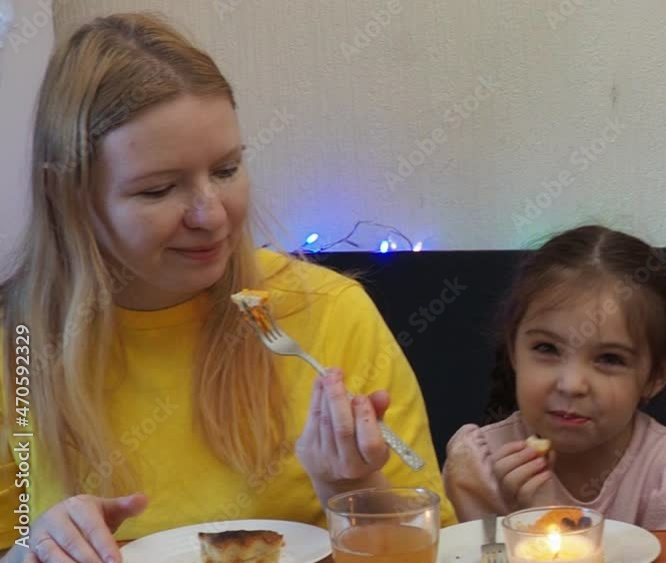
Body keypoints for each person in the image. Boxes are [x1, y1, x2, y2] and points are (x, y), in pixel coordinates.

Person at [0, 12, 454, 562]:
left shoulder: (330, 315)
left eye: (225, 170)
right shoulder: (17, 351)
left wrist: (351, 495)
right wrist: (30, 549)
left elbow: (433, 546)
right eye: (159, 189)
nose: (210, 215)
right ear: (64, 192)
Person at [443, 225, 666, 529]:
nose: (571, 384)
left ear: (657, 375)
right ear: (513, 350)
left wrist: (551, 518)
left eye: (609, 359)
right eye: (546, 348)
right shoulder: (476, 466)